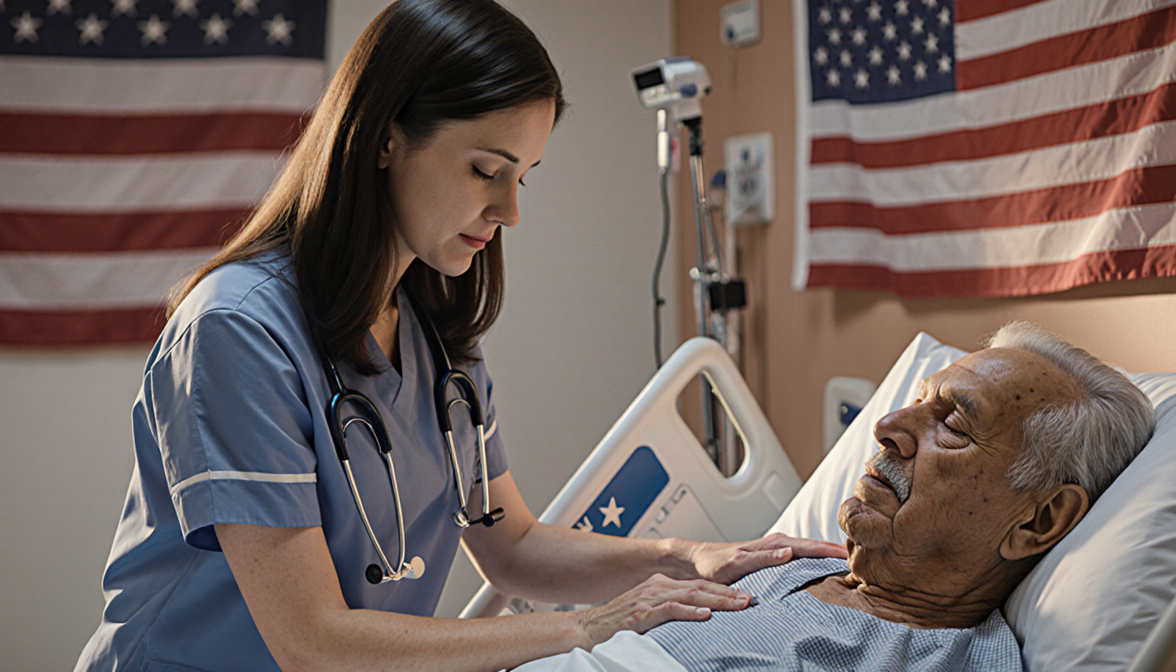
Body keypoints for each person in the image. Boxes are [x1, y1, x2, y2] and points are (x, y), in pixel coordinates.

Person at [72, 2, 847, 671]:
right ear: (383, 138)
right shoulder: (238, 332)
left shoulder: (435, 335)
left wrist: (685, 558)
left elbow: (509, 546)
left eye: (525, 175)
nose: (511, 210)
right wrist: (587, 626)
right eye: (487, 169)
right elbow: (309, 642)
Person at [512, 321, 1157, 672]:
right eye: (917, 401)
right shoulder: (787, 564)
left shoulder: (952, 661)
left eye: (954, 425)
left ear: (1040, 520)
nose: (886, 427)